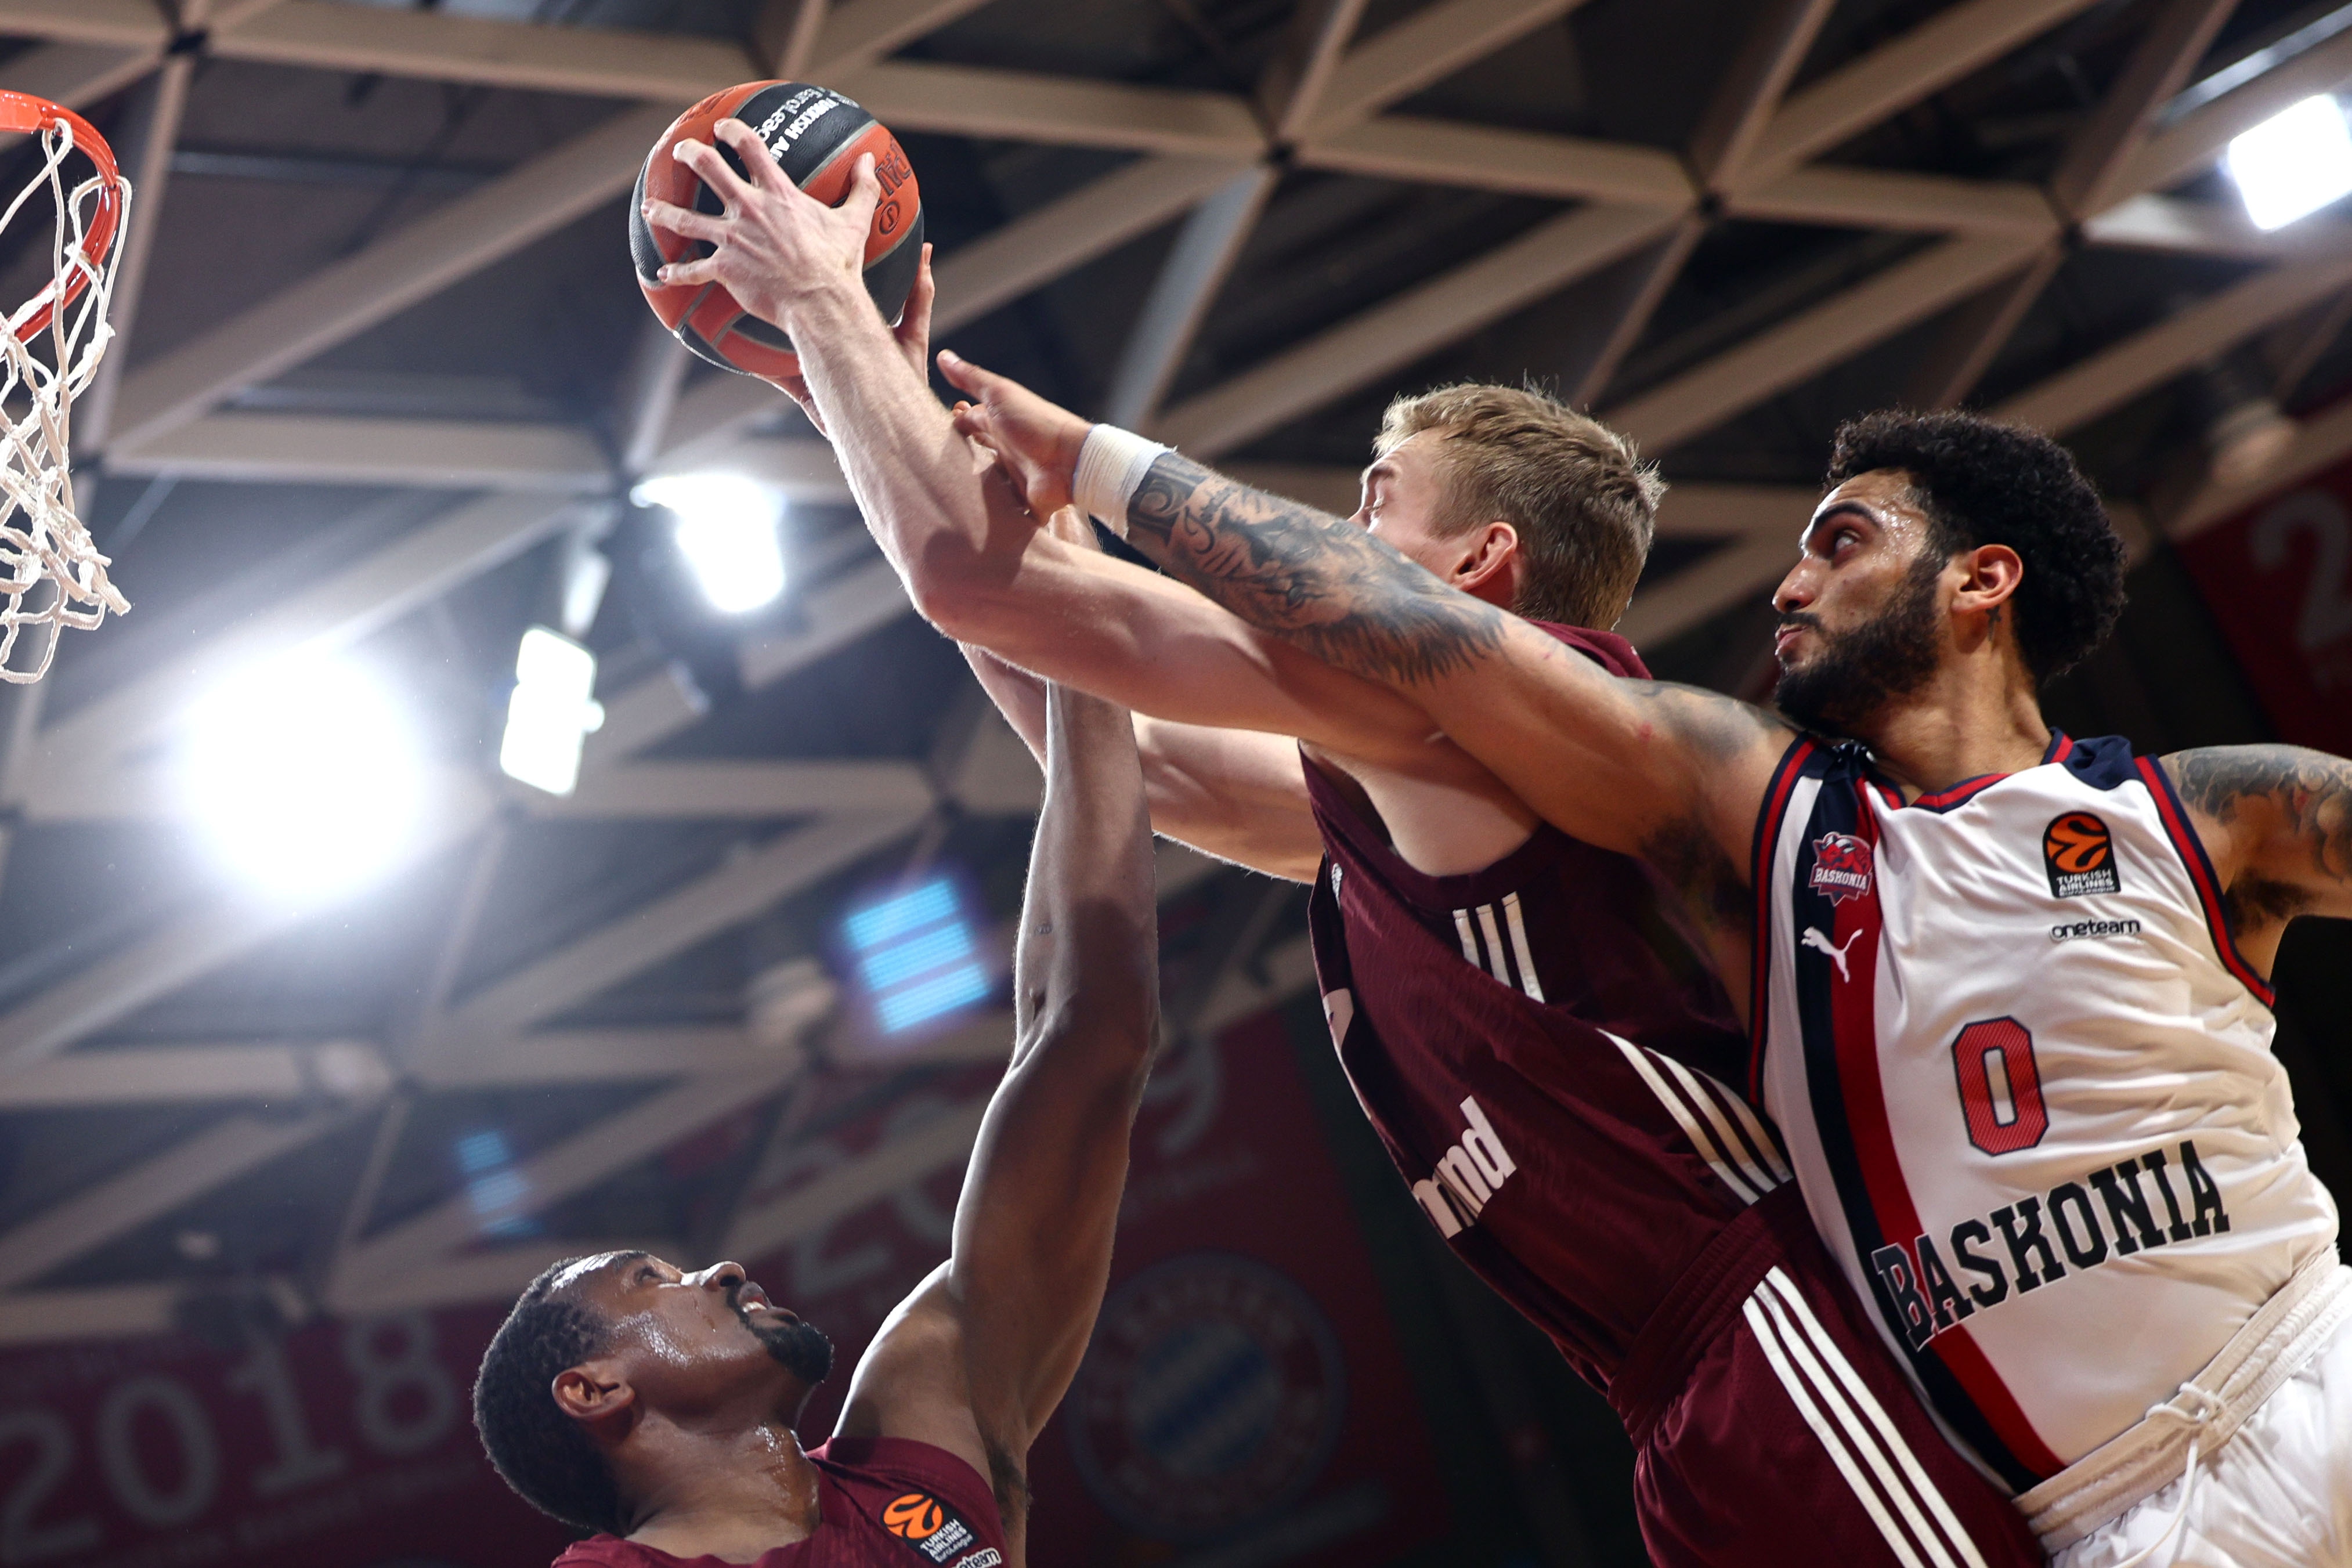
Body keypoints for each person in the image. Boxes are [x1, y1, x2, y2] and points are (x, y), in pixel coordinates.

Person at [638, 124, 2047, 1567]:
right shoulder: (1415, 774)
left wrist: (823, 308)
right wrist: (853, 399)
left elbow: (999, 593)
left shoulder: (1487, 713)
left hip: (1776, 1331)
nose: (1331, 527)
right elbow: (1134, 735)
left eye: (1374, 499)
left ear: (1480, 564)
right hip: (1680, 1386)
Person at [941, 380, 2352, 1566]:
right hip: (2101, 1522)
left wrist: (1098, 465)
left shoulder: (2205, 811)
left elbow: (1382, 607)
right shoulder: (1751, 818)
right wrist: (1008, 550)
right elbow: (1391, 650)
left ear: (1980, 578)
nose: (1788, 582)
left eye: (1839, 541)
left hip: (2308, 1370)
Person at [469, 636, 1159, 1567]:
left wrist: (1074, 615)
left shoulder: (918, 1444)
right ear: (592, 1390)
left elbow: (1088, 1038)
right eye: (650, 1283)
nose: (715, 1271)